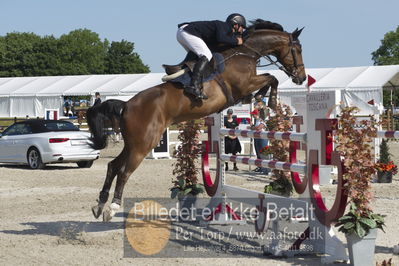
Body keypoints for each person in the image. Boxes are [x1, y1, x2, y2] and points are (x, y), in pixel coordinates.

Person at [176, 13, 246, 99]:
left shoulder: (223, 31)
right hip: (187, 32)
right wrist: (236, 41)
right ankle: (194, 86)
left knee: (199, 57)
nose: (242, 30)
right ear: (235, 25)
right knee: (206, 55)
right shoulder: (223, 26)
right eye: (242, 27)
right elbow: (222, 38)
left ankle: (180, 75)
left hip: (184, 33)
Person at [250, 108, 269, 174]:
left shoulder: (262, 120)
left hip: (262, 138)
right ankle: (260, 167)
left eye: (253, 114)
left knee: (263, 153)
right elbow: (254, 128)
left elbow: (258, 128)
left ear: (256, 114)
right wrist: (253, 127)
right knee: (258, 153)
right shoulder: (257, 121)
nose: (253, 116)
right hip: (257, 138)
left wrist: (252, 127)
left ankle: (265, 169)